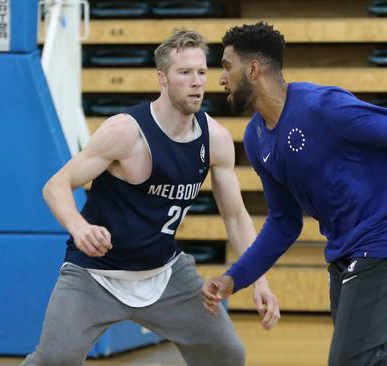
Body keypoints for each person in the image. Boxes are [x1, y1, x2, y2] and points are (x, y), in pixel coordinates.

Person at [203, 22, 387, 366]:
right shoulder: (257, 140)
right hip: (342, 254)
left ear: (254, 69)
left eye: (227, 66)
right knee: (374, 359)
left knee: (351, 362)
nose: (221, 77)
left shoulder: (323, 106)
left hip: (383, 243)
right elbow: (285, 222)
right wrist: (234, 278)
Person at [22, 29, 280, 366]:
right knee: (53, 361)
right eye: (184, 72)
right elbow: (56, 186)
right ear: (162, 78)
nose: (196, 82)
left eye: (202, 72)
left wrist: (258, 278)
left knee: (227, 355)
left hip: (166, 274)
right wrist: (80, 227)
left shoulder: (214, 138)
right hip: (96, 275)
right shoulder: (125, 131)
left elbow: (235, 217)